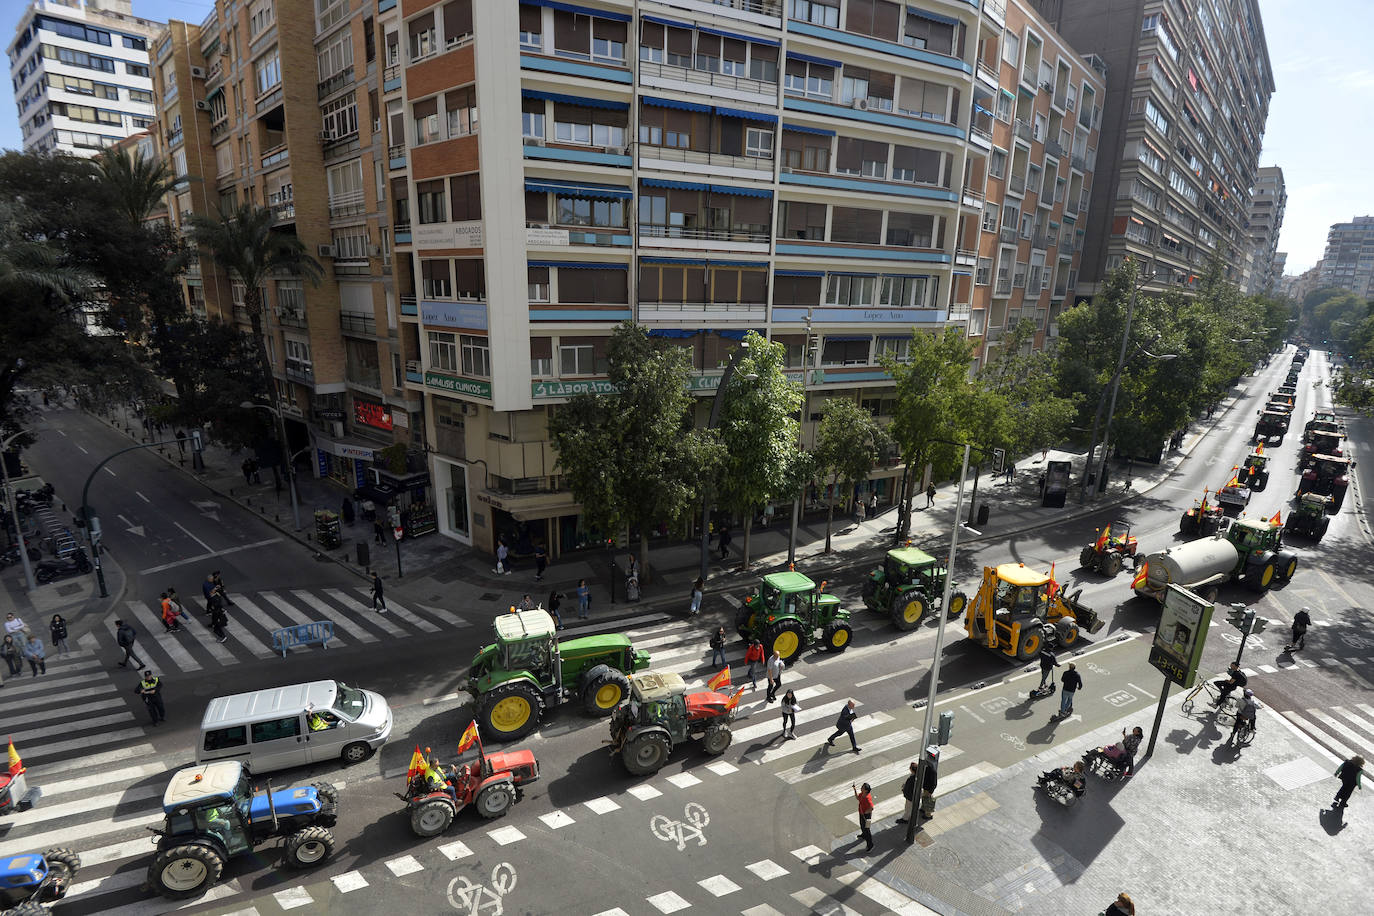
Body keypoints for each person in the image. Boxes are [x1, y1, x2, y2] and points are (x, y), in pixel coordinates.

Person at [853, 782, 875, 852]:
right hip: (861, 814)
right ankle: (863, 835)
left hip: (867, 816)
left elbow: (871, 808)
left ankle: (870, 845)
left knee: (867, 830)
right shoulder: (862, 794)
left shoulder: (867, 798)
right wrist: (854, 790)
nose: (861, 788)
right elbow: (857, 798)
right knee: (862, 826)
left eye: (862, 787)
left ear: (866, 790)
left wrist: (865, 813)